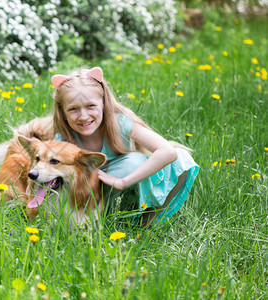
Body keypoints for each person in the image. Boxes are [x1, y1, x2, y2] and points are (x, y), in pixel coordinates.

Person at [51, 67, 199, 225]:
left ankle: (147, 223)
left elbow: (168, 152)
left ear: (104, 103)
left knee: (181, 158)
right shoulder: (63, 140)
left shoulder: (120, 123)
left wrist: (124, 182)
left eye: (91, 106)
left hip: (123, 183)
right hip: (88, 199)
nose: (83, 116)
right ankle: (96, 221)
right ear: (63, 113)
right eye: (73, 109)